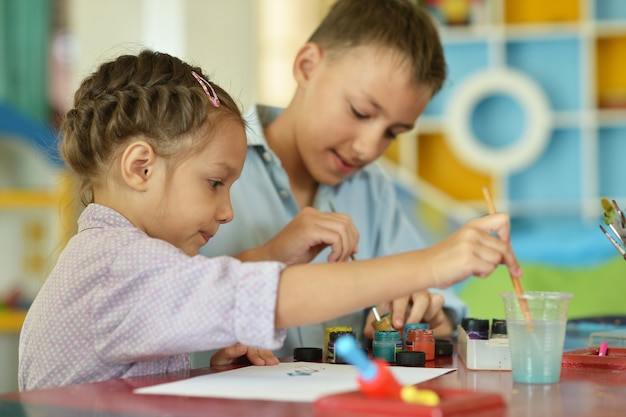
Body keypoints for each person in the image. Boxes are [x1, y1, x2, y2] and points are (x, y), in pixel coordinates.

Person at [18, 49, 520, 391]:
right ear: (141, 167)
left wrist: (202, 374)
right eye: (215, 183)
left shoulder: (117, 257)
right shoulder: (115, 266)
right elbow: (277, 296)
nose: (227, 210)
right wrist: (432, 263)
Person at [198, 0, 468, 365]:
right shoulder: (201, 169)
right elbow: (157, 297)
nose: (368, 148)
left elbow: (436, 297)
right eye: (360, 112)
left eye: (393, 132)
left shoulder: (370, 187)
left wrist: (431, 312)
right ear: (307, 66)